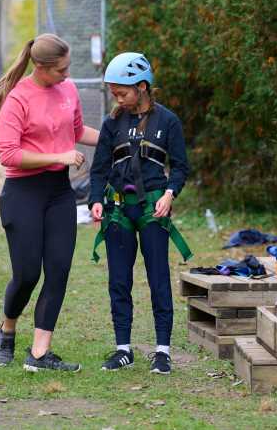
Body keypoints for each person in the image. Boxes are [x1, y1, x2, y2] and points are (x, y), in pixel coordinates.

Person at [0, 33, 99, 373]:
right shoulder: (18, 99)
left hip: (59, 193)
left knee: (58, 270)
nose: (67, 76)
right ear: (41, 68)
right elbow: (9, 154)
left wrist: (115, 139)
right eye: (61, 70)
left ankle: (40, 354)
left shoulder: (68, 91)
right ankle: (7, 327)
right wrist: (59, 155)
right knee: (27, 274)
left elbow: (76, 130)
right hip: (23, 193)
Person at [89, 52, 191, 375]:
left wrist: (171, 194)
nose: (117, 99)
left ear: (143, 87)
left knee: (158, 278)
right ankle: (123, 349)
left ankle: (162, 351)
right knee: (119, 281)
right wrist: (95, 199)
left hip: (153, 210)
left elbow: (180, 167)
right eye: (114, 93)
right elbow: (99, 169)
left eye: (122, 93)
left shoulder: (167, 122)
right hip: (118, 210)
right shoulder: (112, 123)